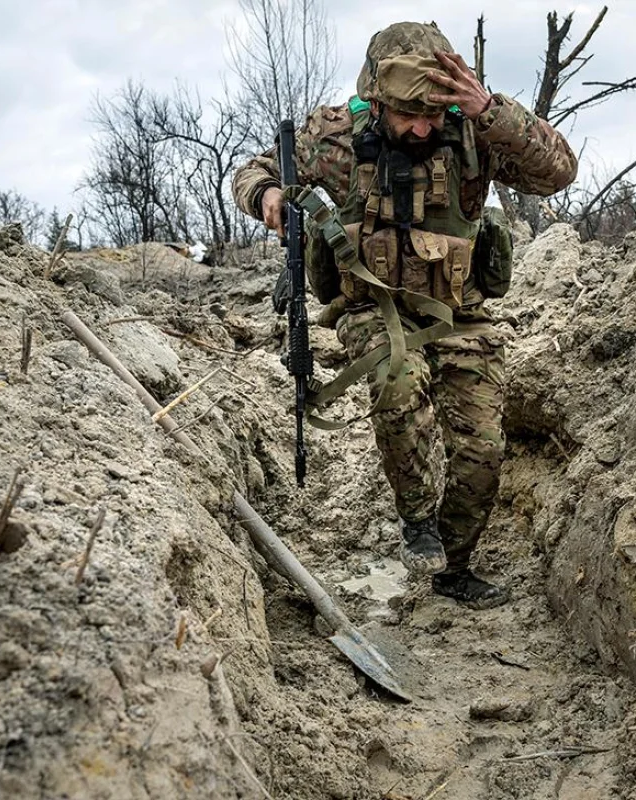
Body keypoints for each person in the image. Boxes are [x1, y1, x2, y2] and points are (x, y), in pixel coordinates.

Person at [232, 21, 577, 609]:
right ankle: (416, 518)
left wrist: (491, 110)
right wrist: (265, 194)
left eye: (433, 114)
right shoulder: (336, 140)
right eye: (408, 115)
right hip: (372, 307)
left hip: (459, 315)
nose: (422, 127)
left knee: (483, 447)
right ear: (378, 100)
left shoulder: (474, 130)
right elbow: (252, 171)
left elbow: (558, 171)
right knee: (399, 376)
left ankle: (454, 562)